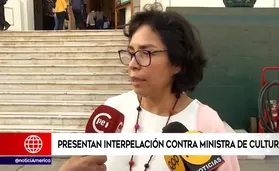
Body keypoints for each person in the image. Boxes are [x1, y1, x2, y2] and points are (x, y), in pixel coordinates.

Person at [58, 2, 240, 171]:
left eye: (145, 53)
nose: (132, 64)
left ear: (177, 63)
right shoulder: (112, 111)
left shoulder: (205, 123)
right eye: (131, 53)